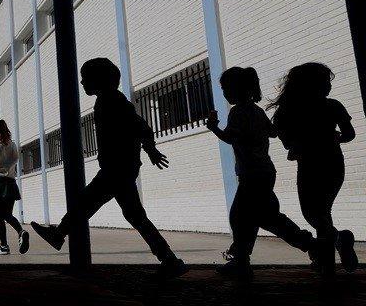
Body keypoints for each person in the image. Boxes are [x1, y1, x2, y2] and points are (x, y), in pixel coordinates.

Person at [31, 58, 186, 277]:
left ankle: (59, 233)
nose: (82, 83)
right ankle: (169, 258)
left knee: (85, 203)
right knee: (133, 215)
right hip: (122, 168)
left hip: (117, 168)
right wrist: (149, 151)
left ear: (100, 80)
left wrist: (151, 151)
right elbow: (140, 128)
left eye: (86, 78)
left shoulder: (110, 100)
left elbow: (141, 127)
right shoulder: (111, 100)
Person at [206, 67, 316, 279]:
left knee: (240, 216)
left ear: (236, 89)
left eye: (225, 88)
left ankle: (242, 262)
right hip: (265, 171)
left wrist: (214, 128)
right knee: (264, 217)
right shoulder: (258, 111)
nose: (224, 93)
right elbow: (273, 133)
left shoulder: (237, 112)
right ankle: (310, 245)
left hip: (251, 174)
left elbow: (231, 138)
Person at [268, 62, 358, 275]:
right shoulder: (332, 106)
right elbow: (349, 134)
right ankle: (337, 243)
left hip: (310, 166)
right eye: (325, 81)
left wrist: (300, 143)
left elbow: (288, 143)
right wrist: (335, 137)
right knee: (320, 213)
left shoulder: (287, 112)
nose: (328, 86)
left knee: (315, 214)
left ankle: (327, 261)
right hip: (333, 163)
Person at [0, 120, 29, 255]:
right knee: (8, 214)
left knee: (0, 217)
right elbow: (16, 160)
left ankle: (4, 246)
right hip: (10, 183)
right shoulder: (13, 145)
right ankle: (21, 231)